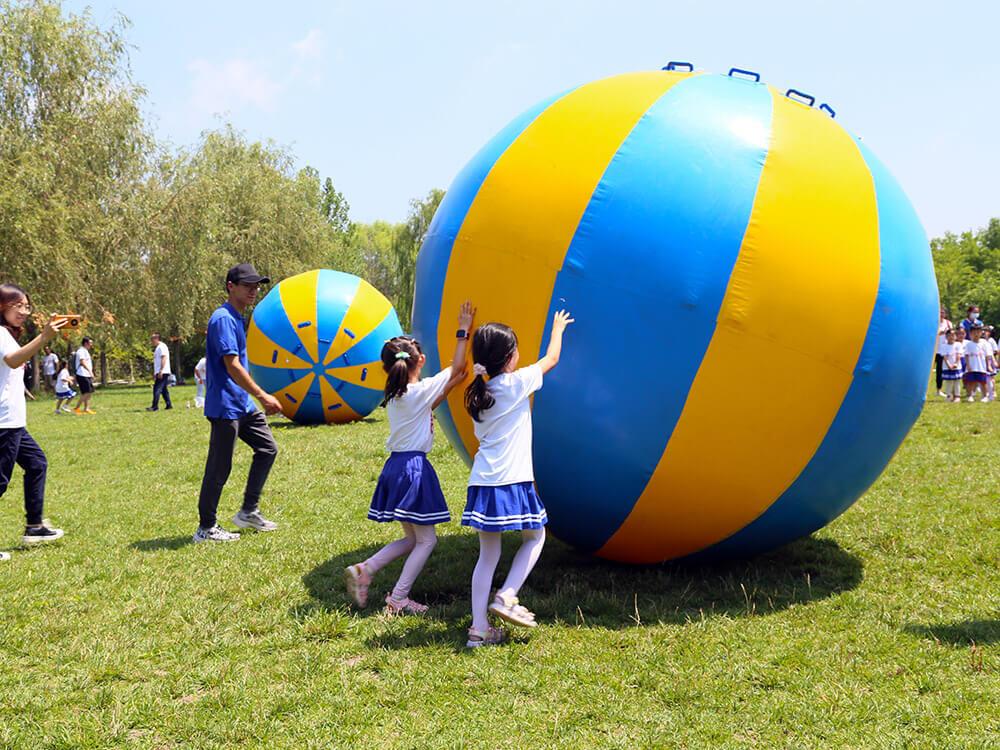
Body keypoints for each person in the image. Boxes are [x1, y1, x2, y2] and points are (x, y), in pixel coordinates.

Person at [345, 302, 475, 615]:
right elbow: (457, 366)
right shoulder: (418, 391)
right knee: (427, 541)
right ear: (420, 362)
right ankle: (398, 598)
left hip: (395, 467)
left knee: (411, 540)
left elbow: (428, 406)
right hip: (413, 470)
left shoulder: (397, 396)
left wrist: (449, 387)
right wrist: (464, 331)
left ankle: (366, 569)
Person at [460, 309, 574, 648]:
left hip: (482, 482)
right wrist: (558, 328)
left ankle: (479, 630)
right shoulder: (514, 384)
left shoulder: (478, 394)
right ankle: (507, 594)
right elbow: (551, 359)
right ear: (510, 358)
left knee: (488, 556)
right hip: (512, 480)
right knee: (536, 537)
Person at [194, 263, 282, 543]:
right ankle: (206, 529)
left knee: (268, 448)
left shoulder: (238, 317)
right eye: (248, 286)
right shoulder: (222, 319)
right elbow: (232, 366)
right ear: (231, 286)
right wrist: (263, 395)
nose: (254, 291)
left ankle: (248, 511)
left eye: (256, 286)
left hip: (241, 405)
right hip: (224, 406)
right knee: (219, 468)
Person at [0, 283, 68, 559]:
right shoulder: (1, 334)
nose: (25, 312)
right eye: (19, 306)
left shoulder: (8, 335)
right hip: (4, 422)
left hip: (13, 421)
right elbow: (13, 361)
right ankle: (34, 525)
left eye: (27, 307)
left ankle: (34, 526)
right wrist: (44, 337)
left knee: (36, 462)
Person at [963, 324, 990, 402]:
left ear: (981, 332)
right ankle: (970, 396)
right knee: (970, 382)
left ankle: (985, 396)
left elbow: (987, 356)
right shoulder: (968, 344)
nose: (976, 334)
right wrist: (968, 365)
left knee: (983, 382)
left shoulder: (984, 343)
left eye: (978, 332)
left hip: (981, 366)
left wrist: (988, 365)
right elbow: (967, 355)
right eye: (974, 332)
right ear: (970, 333)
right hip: (972, 366)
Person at [147, 332, 173, 411]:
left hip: (163, 371)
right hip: (160, 371)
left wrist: (161, 370)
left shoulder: (162, 346)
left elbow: (164, 358)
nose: (151, 341)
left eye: (152, 339)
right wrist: (155, 373)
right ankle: (169, 405)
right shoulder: (158, 347)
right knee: (164, 389)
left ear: (157, 339)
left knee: (157, 388)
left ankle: (155, 406)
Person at [72, 336, 96, 414]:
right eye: (90, 343)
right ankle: (76, 408)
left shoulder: (85, 351)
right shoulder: (81, 351)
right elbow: (82, 362)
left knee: (90, 392)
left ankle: (86, 409)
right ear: (85, 343)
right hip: (82, 373)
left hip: (86, 374)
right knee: (86, 392)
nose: (91, 345)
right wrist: (90, 371)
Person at [935, 307, 952, 398]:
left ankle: (939, 390)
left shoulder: (948, 323)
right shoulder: (933, 322)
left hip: (943, 350)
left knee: (940, 371)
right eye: (940, 312)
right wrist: (939, 333)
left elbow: (952, 335)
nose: (942, 314)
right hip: (933, 350)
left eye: (943, 313)